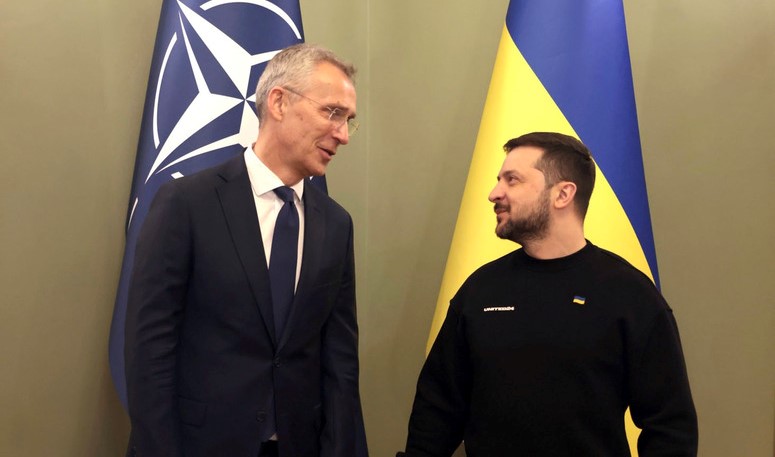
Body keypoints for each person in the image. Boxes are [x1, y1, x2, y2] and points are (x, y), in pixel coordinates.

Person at [125, 44, 368, 457]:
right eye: (332, 113)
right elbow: (149, 350)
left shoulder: (336, 224)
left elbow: (340, 361)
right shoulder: (187, 204)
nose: (343, 135)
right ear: (279, 102)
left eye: (348, 121)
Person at [398, 132, 697, 456]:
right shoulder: (480, 290)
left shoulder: (629, 295)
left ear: (563, 194)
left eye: (512, 180)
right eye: (499, 180)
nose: (494, 193)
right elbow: (437, 411)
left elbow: (670, 428)